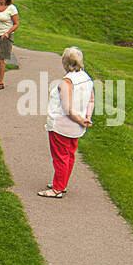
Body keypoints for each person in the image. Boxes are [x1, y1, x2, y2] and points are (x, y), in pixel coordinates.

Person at [38, 46, 95, 199]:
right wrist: (86, 117)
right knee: (69, 155)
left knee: (60, 157)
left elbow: (67, 108)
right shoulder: (86, 78)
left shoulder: (67, 82)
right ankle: (61, 183)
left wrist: (79, 118)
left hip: (61, 125)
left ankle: (57, 189)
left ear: (65, 62)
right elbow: (91, 100)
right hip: (76, 127)